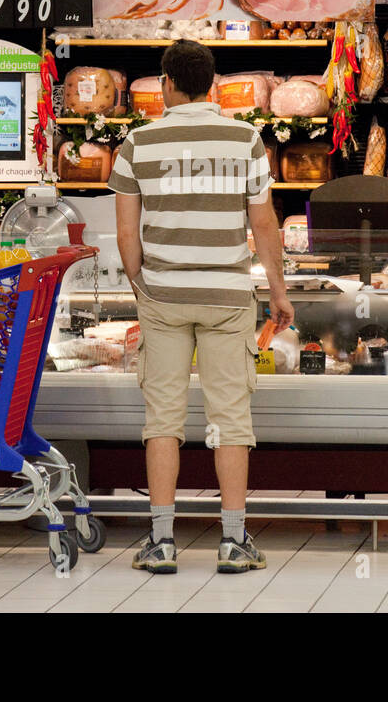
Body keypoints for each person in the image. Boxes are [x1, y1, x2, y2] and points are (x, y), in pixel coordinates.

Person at [109, 39, 293, 574]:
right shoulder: (247, 140)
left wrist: (145, 288)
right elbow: (263, 226)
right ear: (212, 86)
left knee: (162, 417)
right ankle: (233, 542)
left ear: (167, 85)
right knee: (231, 417)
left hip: (164, 296)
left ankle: (162, 541)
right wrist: (278, 291)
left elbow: (126, 234)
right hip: (228, 297)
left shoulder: (136, 144)